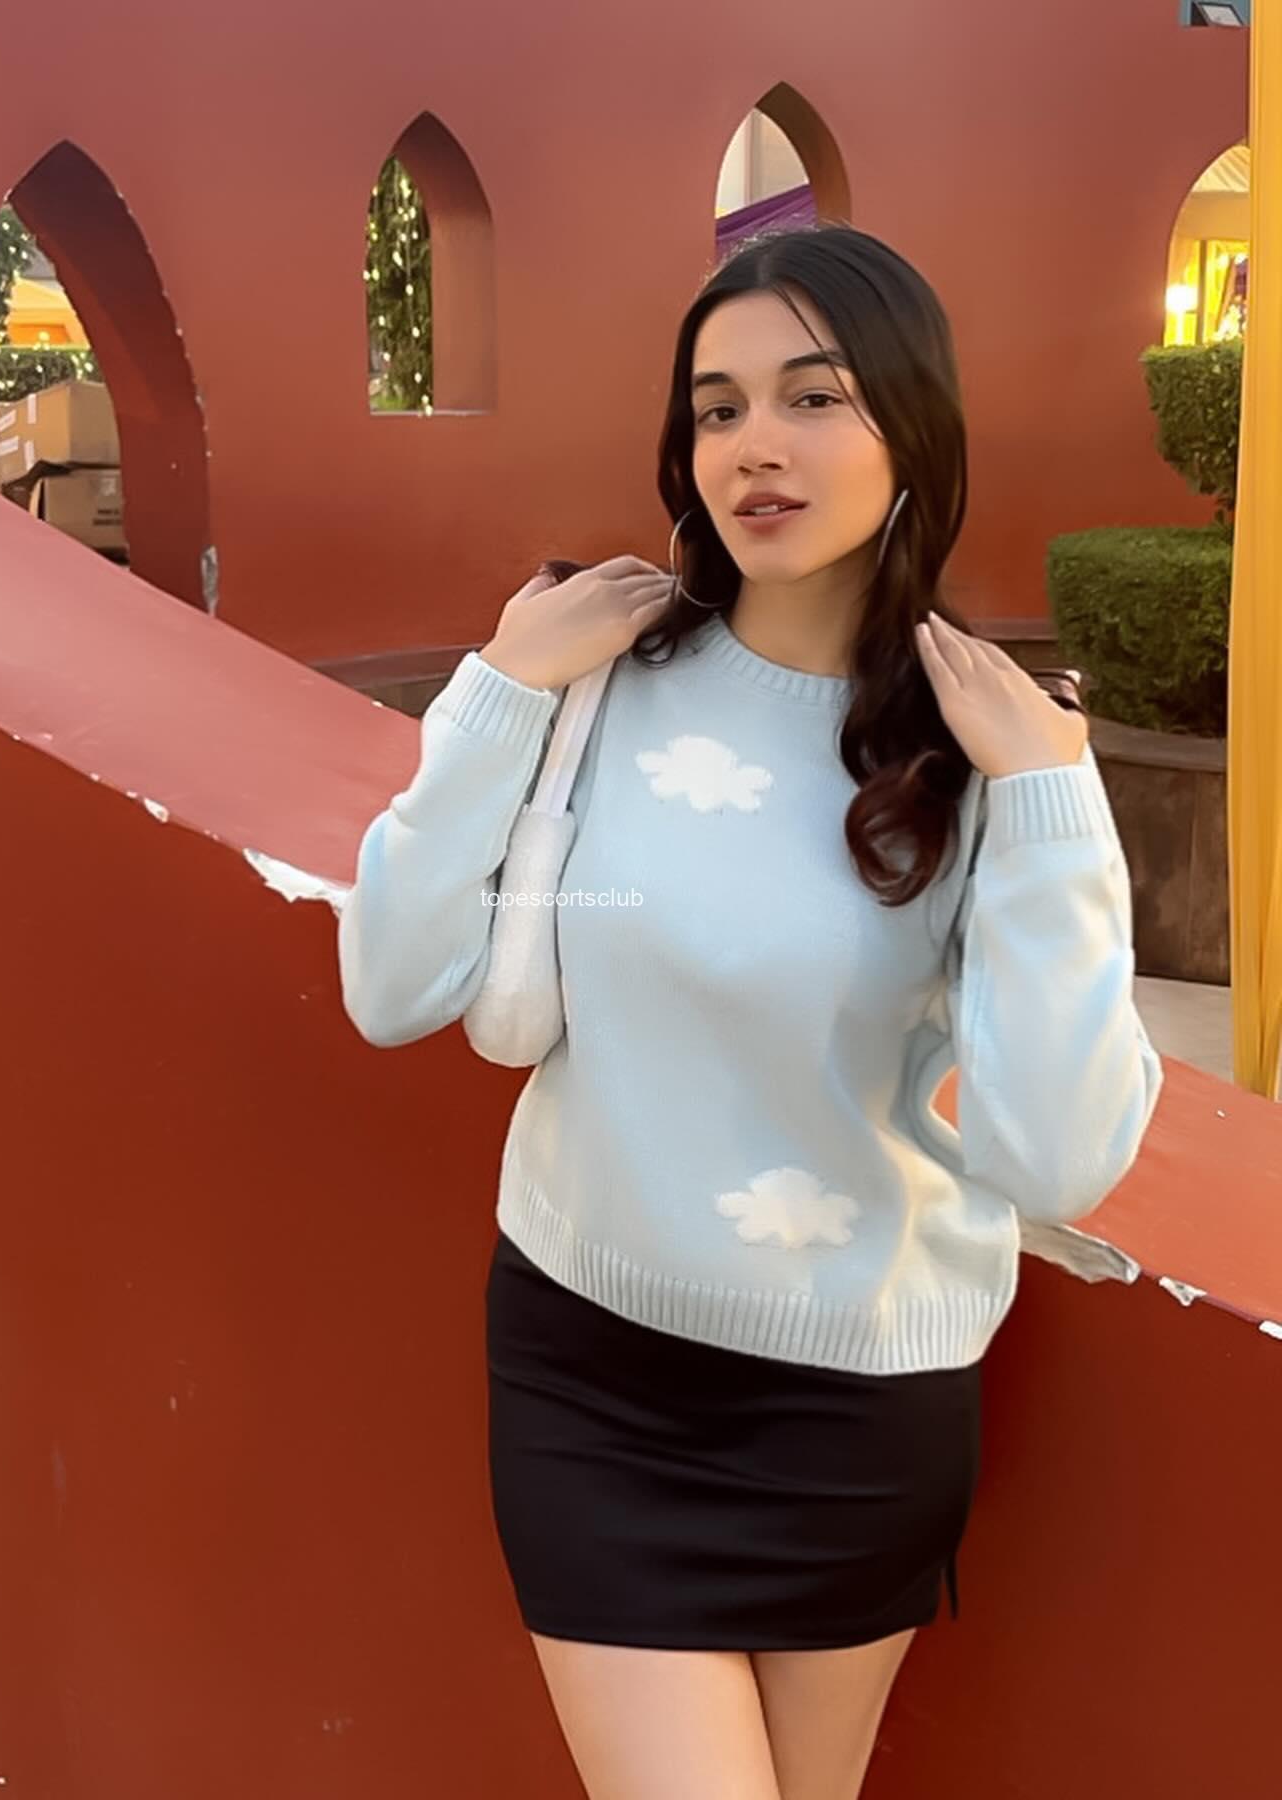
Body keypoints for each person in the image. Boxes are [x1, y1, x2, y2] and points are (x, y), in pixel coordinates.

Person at [336, 223, 1165, 1800]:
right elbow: (389, 986)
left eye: (814, 397)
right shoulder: (599, 682)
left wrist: (1055, 803)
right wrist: (498, 686)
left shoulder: (988, 751)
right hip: (591, 1371)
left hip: (861, 1412)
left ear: (912, 430)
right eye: (717, 409)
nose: (754, 446)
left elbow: (1059, 1160)